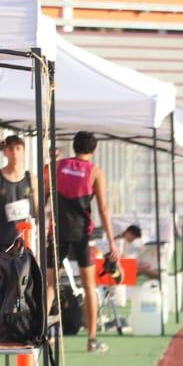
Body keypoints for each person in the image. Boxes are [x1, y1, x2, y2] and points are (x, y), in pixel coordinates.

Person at [53, 131, 119, 353]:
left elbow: (45, 195)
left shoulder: (57, 166)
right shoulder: (95, 172)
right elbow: (103, 208)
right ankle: (91, 340)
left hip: (58, 232)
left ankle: (41, 335)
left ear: (74, 147)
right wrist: (112, 242)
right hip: (82, 234)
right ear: (94, 150)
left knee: (50, 285)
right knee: (89, 286)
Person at [0, 134, 33, 260]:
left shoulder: (31, 179)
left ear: (24, 151)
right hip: (1, 241)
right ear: (5, 152)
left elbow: (37, 211)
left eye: (18, 148)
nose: (14, 152)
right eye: (10, 149)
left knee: (25, 278)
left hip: (26, 241)